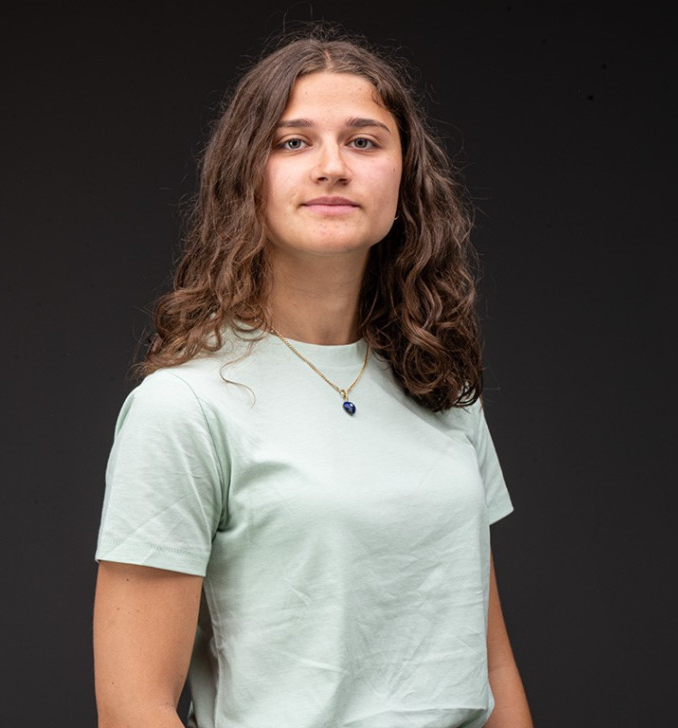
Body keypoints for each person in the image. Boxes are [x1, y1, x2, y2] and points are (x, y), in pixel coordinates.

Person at [93, 29, 533, 728]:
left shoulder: (441, 384)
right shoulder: (183, 408)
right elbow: (132, 708)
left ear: (404, 178)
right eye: (292, 142)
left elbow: (491, 666)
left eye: (364, 141)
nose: (332, 166)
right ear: (246, 176)